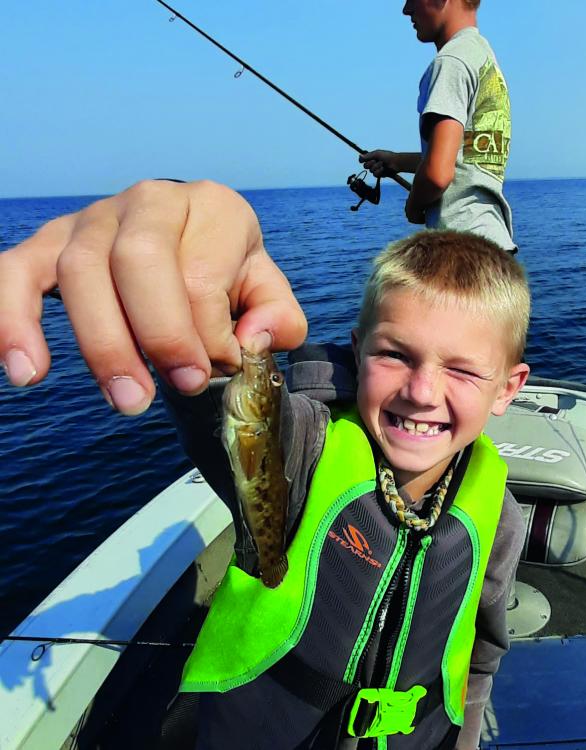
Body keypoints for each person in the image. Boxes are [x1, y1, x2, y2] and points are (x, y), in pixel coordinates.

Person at [0, 179, 529, 749]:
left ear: (508, 388)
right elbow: (218, 391)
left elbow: (478, 657)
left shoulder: (499, 518)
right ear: (357, 353)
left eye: (463, 370)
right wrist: (197, 255)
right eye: (395, 354)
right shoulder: (306, 447)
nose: (423, 391)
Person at [361, 0, 516, 252]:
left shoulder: (450, 63)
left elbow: (436, 175)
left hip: (459, 250)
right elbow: (463, 159)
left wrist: (413, 205)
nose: (406, 10)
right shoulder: (482, 56)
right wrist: (397, 161)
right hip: (494, 246)